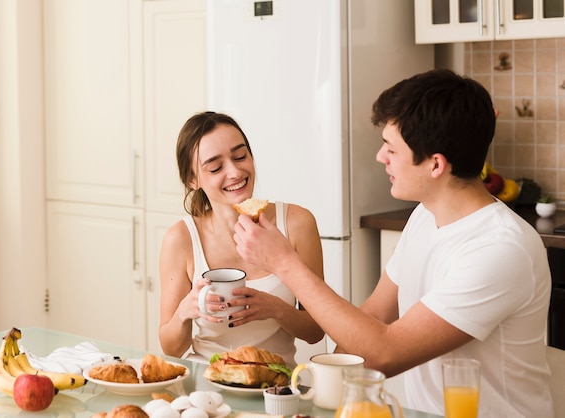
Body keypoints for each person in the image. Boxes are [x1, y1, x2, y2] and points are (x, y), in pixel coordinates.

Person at [233, 69, 553, 417]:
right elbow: (375, 314)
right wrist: (328, 391)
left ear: (435, 165)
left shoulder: (499, 249)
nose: (380, 157)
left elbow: (386, 351)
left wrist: (284, 263)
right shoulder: (425, 215)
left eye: (391, 148)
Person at [158, 111, 325, 368]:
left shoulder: (297, 223)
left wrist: (275, 309)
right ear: (193, 180)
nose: (235, 172)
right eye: (215, 167)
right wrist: (185, 310)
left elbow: (315, 332)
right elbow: (171, 348)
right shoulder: (180, 239)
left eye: (240, 156)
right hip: (206, 381)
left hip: (275, 387)